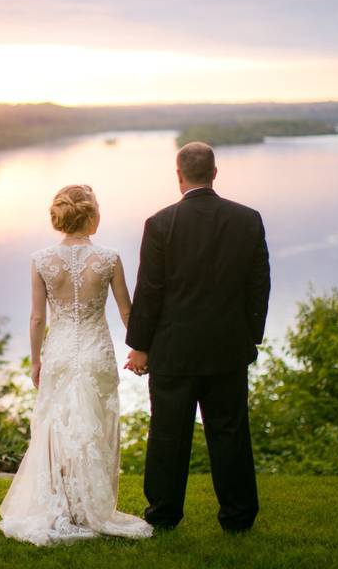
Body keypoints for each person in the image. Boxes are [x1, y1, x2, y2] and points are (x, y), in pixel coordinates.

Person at [124, 141, 271, 534]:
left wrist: (140, 346)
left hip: (174, 350)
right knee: (231, 432)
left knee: (169, 434)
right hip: (227, 348)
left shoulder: (160, 223)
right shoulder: (247, 219)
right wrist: (250, 337)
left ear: (178, 176)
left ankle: (163, 515)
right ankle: (238, 518)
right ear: (214, 173)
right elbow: (259, 286)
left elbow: (150, 290)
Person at [0, 184, 153, 546]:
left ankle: (63, 506)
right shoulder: (110, 259)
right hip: (97, 351)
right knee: (95, 427)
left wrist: (36, 360)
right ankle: (91, 507)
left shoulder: (41, 260)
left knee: (57, 430)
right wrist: (142, 348)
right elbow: (127, 311)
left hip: (61, 352)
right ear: (92, 216)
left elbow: (37, 319)